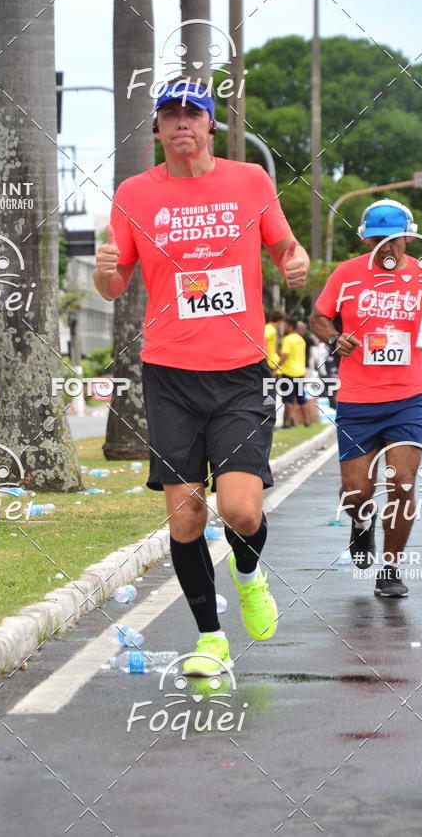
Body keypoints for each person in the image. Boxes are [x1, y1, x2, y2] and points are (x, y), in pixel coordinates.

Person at [94, 79, 309, 676]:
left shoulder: (250, 182)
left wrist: (296, 263)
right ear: (158, 129)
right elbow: (113, 287)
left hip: (240, 371)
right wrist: (103, 272)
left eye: (193, 113)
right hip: (169, 373)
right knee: (186, 513)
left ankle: (247, 574)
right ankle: (210, 638)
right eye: (170, 115)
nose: (181, 123)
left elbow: (288, 249)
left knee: (241, 510)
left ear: (211, 125)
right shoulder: (135, 193)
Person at [309, 199, 422, 598]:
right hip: (357, 397)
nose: (386, 248)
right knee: (357, 492)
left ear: (409, 236)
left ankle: (390, 569)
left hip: (407, 396)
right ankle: (360, 524)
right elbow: (318, 318)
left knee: (403, 484)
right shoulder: (347, 274)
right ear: (365, 239)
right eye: (377, 240)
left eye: (393, 240)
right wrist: (335, 338)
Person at [278, 317, 312, 427]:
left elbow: (284, 356)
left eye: (286, 325)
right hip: (300, 373)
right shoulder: (301, 339)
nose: (284, 328)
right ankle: (307, 421)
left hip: (289, 373)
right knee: (301, 398)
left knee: (288, 399)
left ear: (290, 326)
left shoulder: (287, 339)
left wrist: (276, 367)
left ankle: (287, 423)